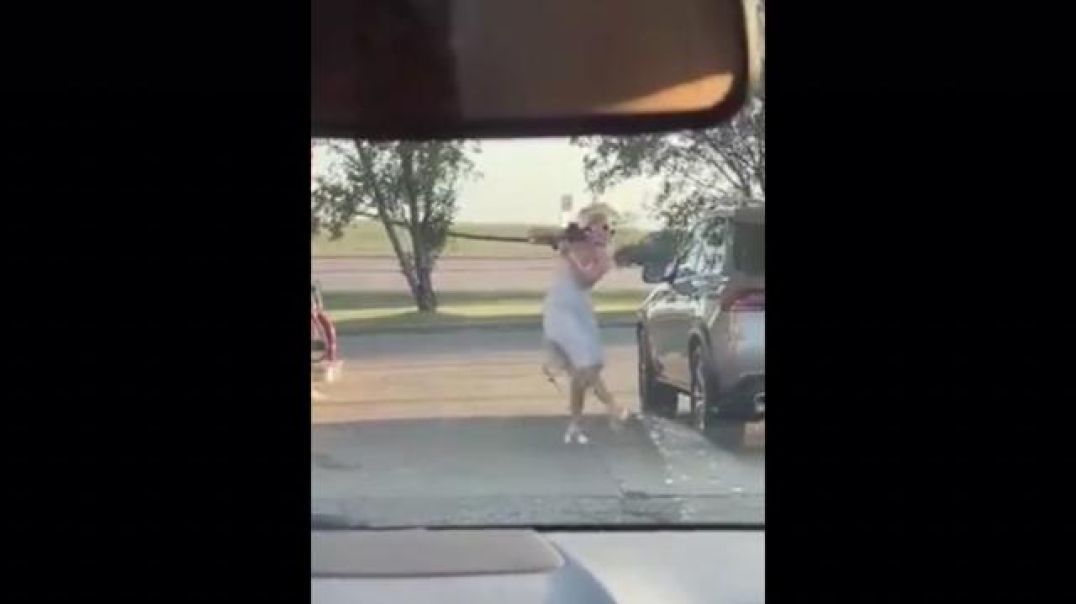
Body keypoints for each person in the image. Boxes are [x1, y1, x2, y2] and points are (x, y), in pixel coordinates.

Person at [542, 205, 630, 444]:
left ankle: (576, 424)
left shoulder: (603, 257)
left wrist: (567, 255)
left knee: (585, 369)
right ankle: (612, 405)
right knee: (583, 363)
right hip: (559, 310)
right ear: (589, 229)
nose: (607, 231)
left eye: (609, 228)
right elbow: (535, 233)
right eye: (602, 227)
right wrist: (557, 240)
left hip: (579, 310)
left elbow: (586, 279)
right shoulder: (573, 244)